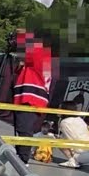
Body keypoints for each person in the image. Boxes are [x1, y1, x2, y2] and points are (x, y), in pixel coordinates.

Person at [13, 33, 53, 162]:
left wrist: (20, 35)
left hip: (31, 98)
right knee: (21, 128)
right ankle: (20, 155)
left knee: (24, 129)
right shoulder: (39, 57)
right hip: (29, 97)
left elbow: (24, 39)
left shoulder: (41, 54)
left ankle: (23, 159)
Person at [55, 100, 89, 167]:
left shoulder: (64, 122)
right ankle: (76, 161)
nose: (57, 110)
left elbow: (71, 139)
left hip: (83, 154)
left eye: (59, 108)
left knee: (57, 141)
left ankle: (72, 161)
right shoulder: (79, 119)